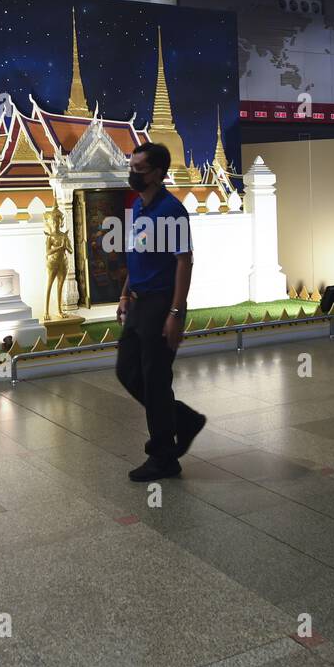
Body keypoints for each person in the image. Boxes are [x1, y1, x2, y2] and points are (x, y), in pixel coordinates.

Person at [115, 142, 207, 482]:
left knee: (155, 381)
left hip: (160, 303)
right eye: (132, 166)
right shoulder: (139, 207)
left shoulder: (172, 210)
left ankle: (163, 456)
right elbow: (136, 256)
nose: (133, 174)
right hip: (139, 301)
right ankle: (184, 420)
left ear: (158, 173)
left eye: (139, 169)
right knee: (127, 371)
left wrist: (176, 312)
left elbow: (184, 261)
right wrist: (125, 294)